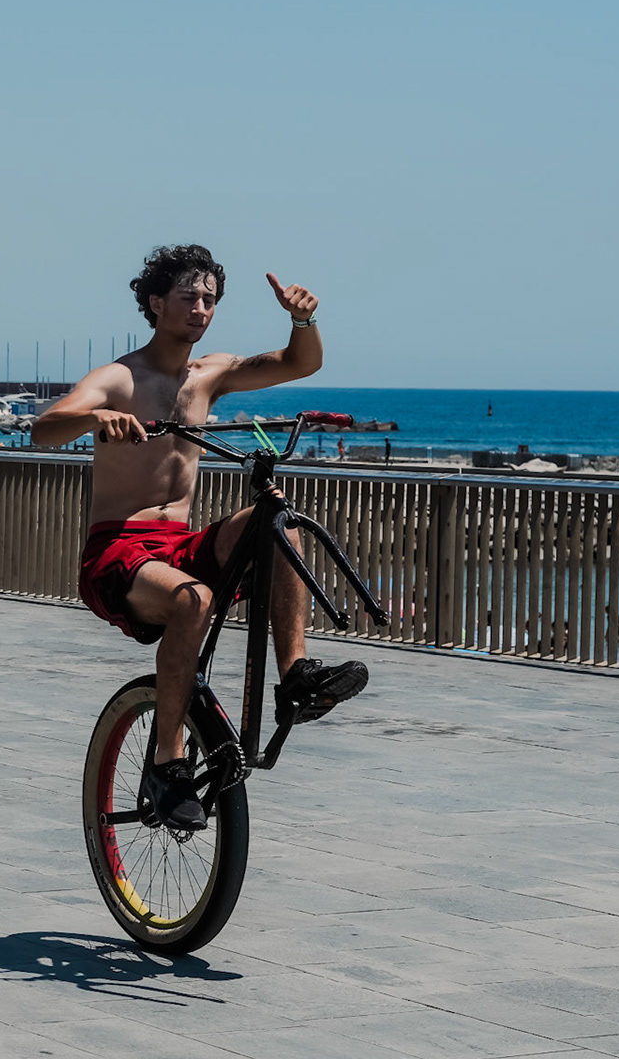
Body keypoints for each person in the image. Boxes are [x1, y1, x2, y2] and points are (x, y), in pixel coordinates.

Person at [30, 244, 368, 831]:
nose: (202, 308)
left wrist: (303, 319)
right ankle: (168, 763)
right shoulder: (118, 377)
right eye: (189, 296)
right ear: (156, 303)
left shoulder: (211, 374)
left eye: (210, 298)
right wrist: (95, 419)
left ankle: (294, 677)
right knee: (195, 600)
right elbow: (42, 430)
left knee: (275, 524)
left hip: (179, 545)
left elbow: (300, 363)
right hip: (118, 551)